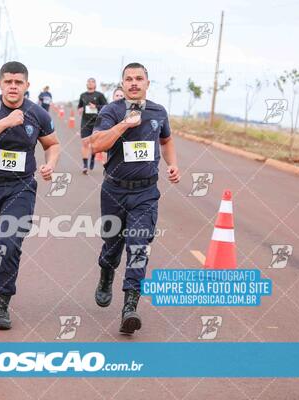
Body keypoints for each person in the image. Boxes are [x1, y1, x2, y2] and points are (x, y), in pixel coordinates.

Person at [0, 61, 60, 330]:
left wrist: (50, 163)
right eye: (8, 82)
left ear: (27, 86)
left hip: (21, 187)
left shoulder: (38, 114)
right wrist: (6, 121)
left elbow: (52, 144)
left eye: (19, 82)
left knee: (10, 240)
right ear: (0, 83)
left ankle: (2, 301)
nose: (13, 86)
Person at [90, 62, 180, 335]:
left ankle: (130, 306)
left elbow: (166, 140)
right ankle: (106, 273)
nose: (133, 83)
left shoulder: (158, 111)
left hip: (146, 193)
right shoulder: (111, 111)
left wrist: (172, 164)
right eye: (128, 79)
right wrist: (123, 125)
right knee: (112, 244)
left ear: (147, 83)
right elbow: (97, 144)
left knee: (138, 246)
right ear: (122, 83)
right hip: (115, 190)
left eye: (139, 79)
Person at [77, 78, 107, 174]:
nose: (90, 83)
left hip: (97, 122)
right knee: (85, 143)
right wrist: (80, 109)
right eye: (88, 81)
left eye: (92, 81)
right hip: (85, 122)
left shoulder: (99, 95)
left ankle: (93, 157)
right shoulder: (83, 95)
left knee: (94, 144)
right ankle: (85, 166)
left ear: (95, 84)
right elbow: (80, 106)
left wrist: (96, 107)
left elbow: (106, 107)